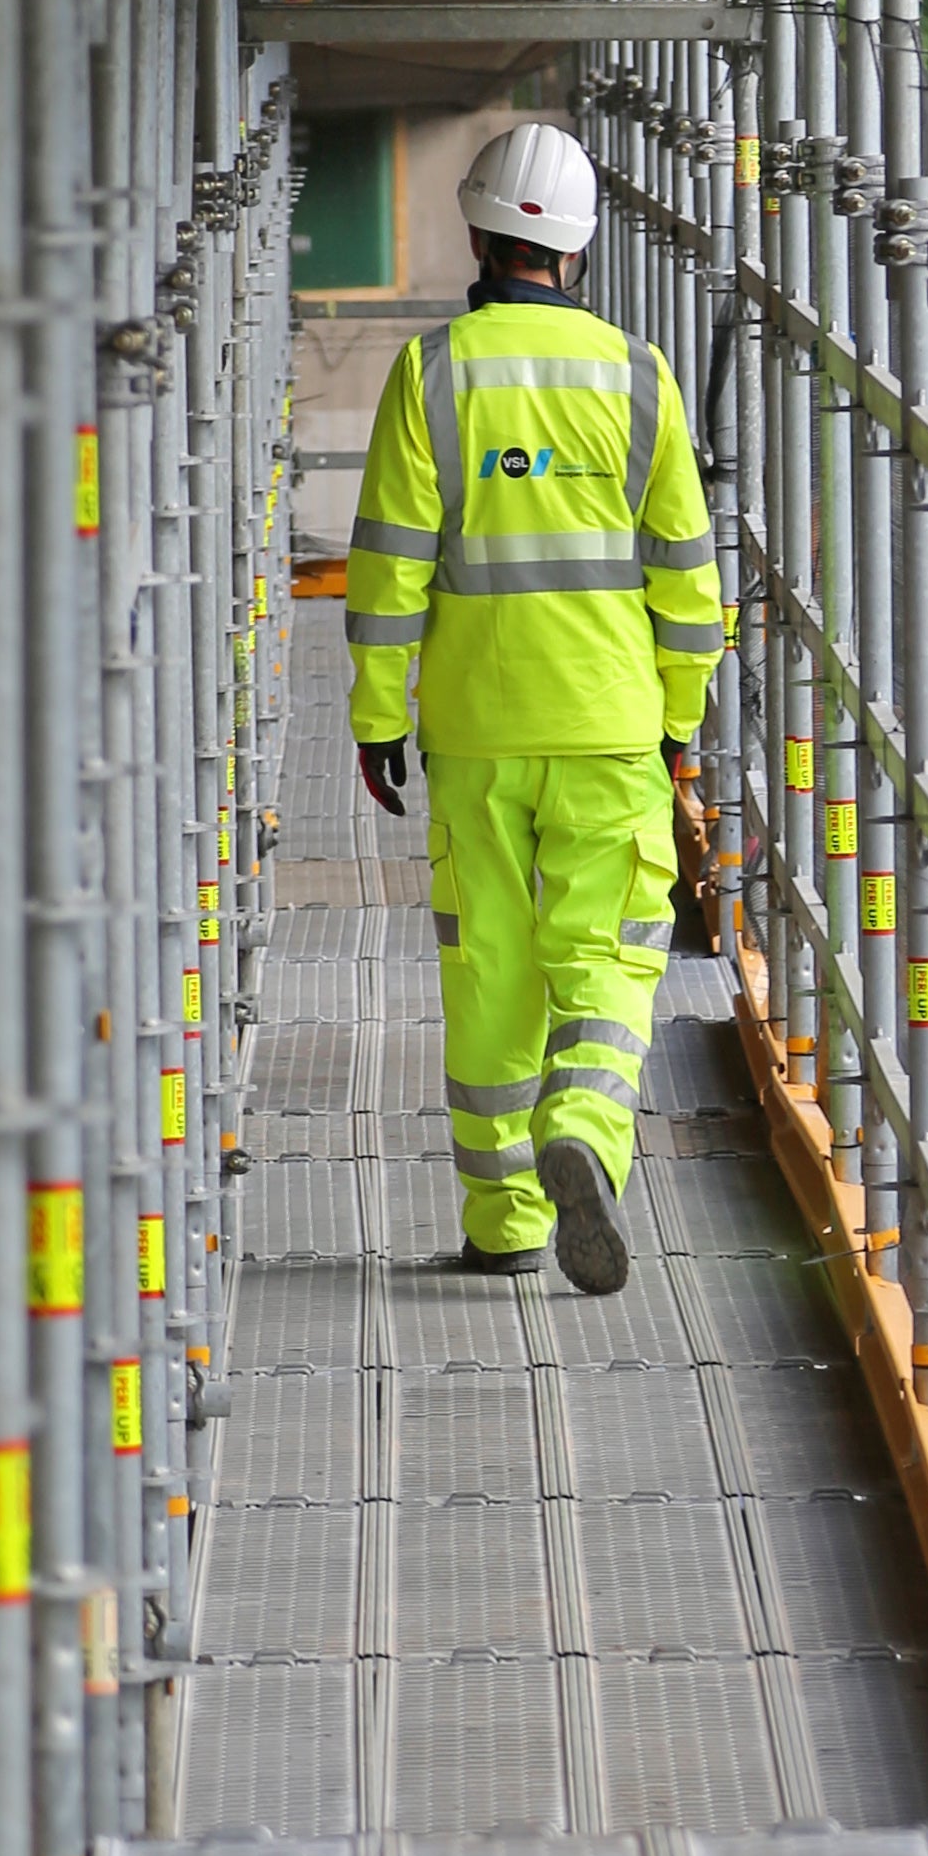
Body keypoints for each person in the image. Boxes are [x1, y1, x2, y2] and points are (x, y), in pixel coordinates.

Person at [343, 118, 723, 1291]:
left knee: (489, 966)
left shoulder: (432, 372)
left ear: (476, 233)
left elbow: (386, 570)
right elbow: (690, 581)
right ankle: (588, 1130)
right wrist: (680, 716)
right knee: (612, 953)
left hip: (474, 730)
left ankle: (504, 1220)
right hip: (610, 725)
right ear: (579, 246)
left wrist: (375, 718)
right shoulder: (638, 376)